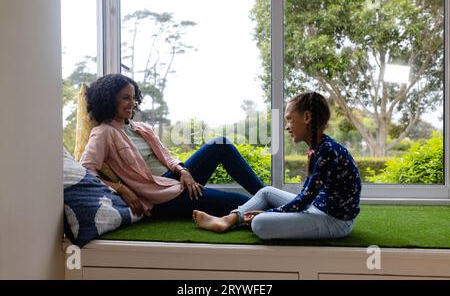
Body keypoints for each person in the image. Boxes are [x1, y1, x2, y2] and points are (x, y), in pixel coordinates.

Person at [80, 73, 265, 218]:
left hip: (175, 179)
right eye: (125, 98)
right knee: (242, 202)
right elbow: (86, 171)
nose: (132, 104)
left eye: (134, 98)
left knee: (220, 144)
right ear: (110, 99)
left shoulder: (141, 128)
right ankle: (277, 207)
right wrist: (121, 189)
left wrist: (182, 171)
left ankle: (268, 194)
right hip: (161, 196)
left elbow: (167, 155)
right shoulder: (104, 132)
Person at [193, 91, 362, 240]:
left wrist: (268, 213)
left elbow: (303, 201)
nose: (287, 127)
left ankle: (243, 219)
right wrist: (276, 212)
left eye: (289, 119)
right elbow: (305, 196)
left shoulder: (327, 151)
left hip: (334, 221)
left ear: (307, 117)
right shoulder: (320, 147)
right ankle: (229, 219)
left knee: (259, 223)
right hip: (318, 206)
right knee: (266, 192)